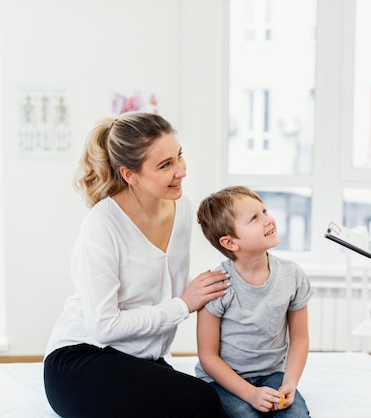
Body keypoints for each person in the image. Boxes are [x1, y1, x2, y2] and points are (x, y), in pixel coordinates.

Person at [43, 112, 230, 418]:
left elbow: (162, 284)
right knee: (202, 402)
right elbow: (104, 327)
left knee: (212, 401)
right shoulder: (102, 225)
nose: (181, 171)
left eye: (179, 156)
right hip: (81, 358)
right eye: (165, 165)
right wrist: (184, 304)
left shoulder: (180, 208)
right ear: (130, 175)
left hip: (139, 358)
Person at [195, 186, 312, 417]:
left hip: (273, 375)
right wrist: (250, 394)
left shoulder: (292, 275)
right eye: (255, 218)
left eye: (265, 211)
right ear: (230, 243)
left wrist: (290, 383)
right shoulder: (216, 284)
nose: (268, 220)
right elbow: (208, 357)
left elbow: (300, 338)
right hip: (224, 381)